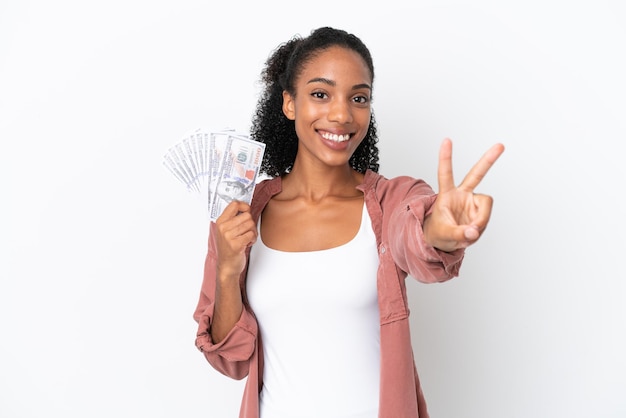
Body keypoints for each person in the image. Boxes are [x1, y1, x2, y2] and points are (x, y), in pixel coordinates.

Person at [193, 26, 505, 418]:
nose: (341, 114)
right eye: (320, 94)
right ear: (289, 103)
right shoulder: (240, 212)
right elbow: (231, 361)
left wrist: (438, 233)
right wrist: (226, 271)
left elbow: (413, 235)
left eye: (358, 98)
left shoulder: (392, 202)